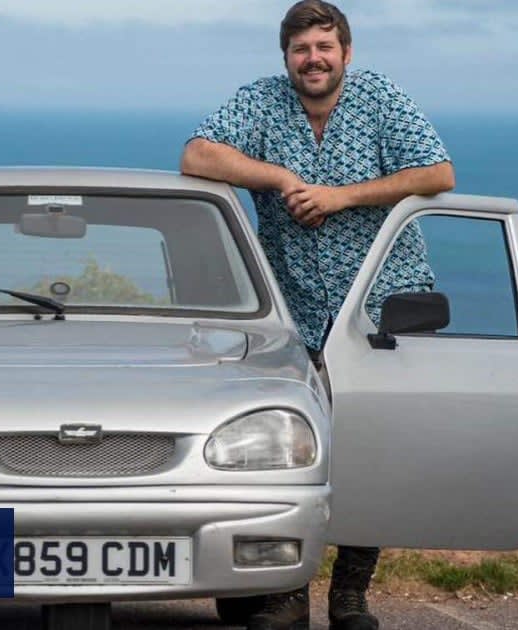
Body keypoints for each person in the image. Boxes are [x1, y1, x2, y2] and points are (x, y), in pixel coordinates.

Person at [181, 1, 454, 629]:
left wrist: (340, 196)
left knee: (372, 450)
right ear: (287, 58)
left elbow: (438, 173)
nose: (314, 59)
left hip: (385, 304)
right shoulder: (261, 101)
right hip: (292, 310)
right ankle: (284, 595)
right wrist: (279, 178)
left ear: (347, 53)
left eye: (325, 47)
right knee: (289, 449)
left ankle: (351, 595)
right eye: (302, 49)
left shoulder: (381, 97)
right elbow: (197, 156)